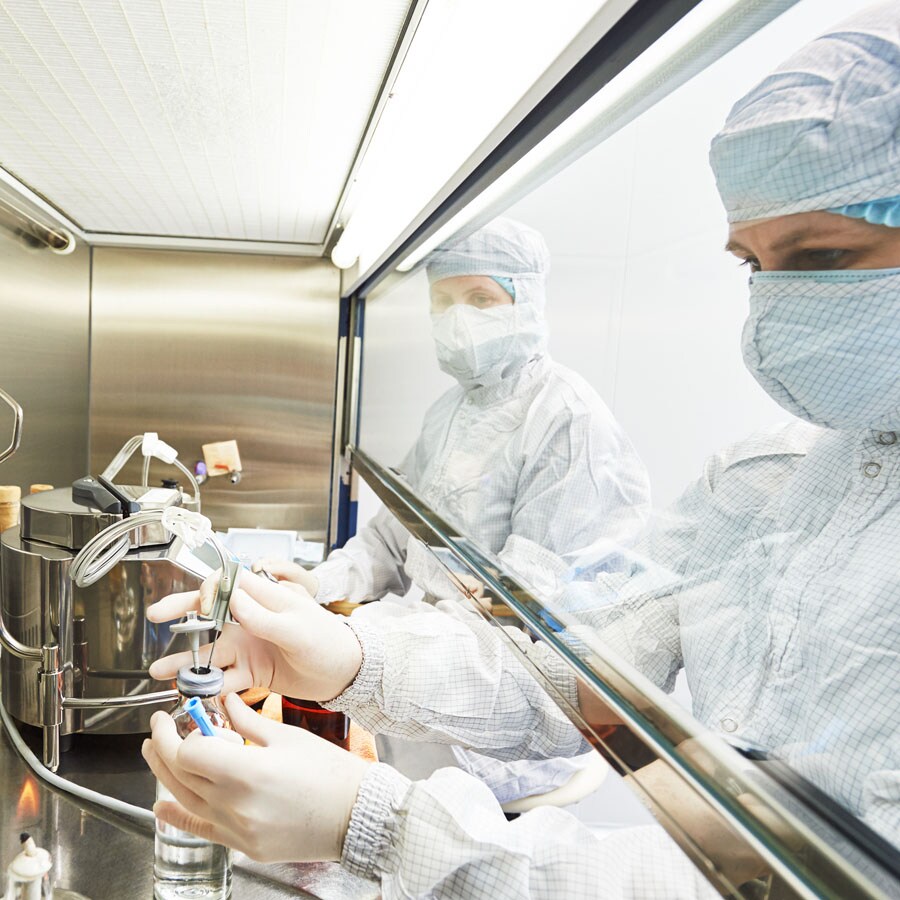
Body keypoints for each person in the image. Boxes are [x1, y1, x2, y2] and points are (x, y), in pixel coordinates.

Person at [143, 4, 900, 897]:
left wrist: (378, 824)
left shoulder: (569, 422)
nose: (776, 308)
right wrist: (349, 656)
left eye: (822, 254)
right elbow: (569, 656)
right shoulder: (771, 479)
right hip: (452, 758)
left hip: (508, 796)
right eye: (751, 264)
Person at [255, 216, 650, 804]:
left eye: (481, 298)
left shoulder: (567, 422)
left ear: (526, 302)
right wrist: (318, 582)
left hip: (493, 738)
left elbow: (518, 618)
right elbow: (393, 536)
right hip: (416, 686)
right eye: (443, 302)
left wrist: (354, 639)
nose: (458, 319)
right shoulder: (450, 413)